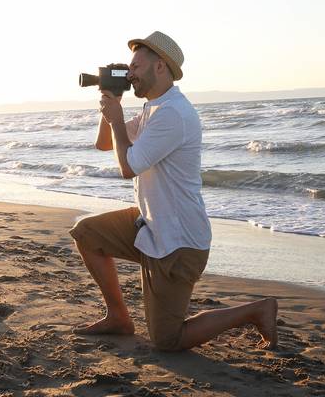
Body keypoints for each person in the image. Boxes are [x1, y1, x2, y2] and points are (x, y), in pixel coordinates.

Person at [70, 31, 278, 351]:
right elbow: (104, 145)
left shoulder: (173, 114)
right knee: (86, 233)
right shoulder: (154, 109)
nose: (130, 74)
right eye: (128, 67)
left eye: (136, 67)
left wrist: (116, 121)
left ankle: (255, 311)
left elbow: (128, 168)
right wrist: (112, 104)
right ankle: (118, 317)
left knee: (168, 340)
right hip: (152, 225)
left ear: (161, 67)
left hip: (178, 244)